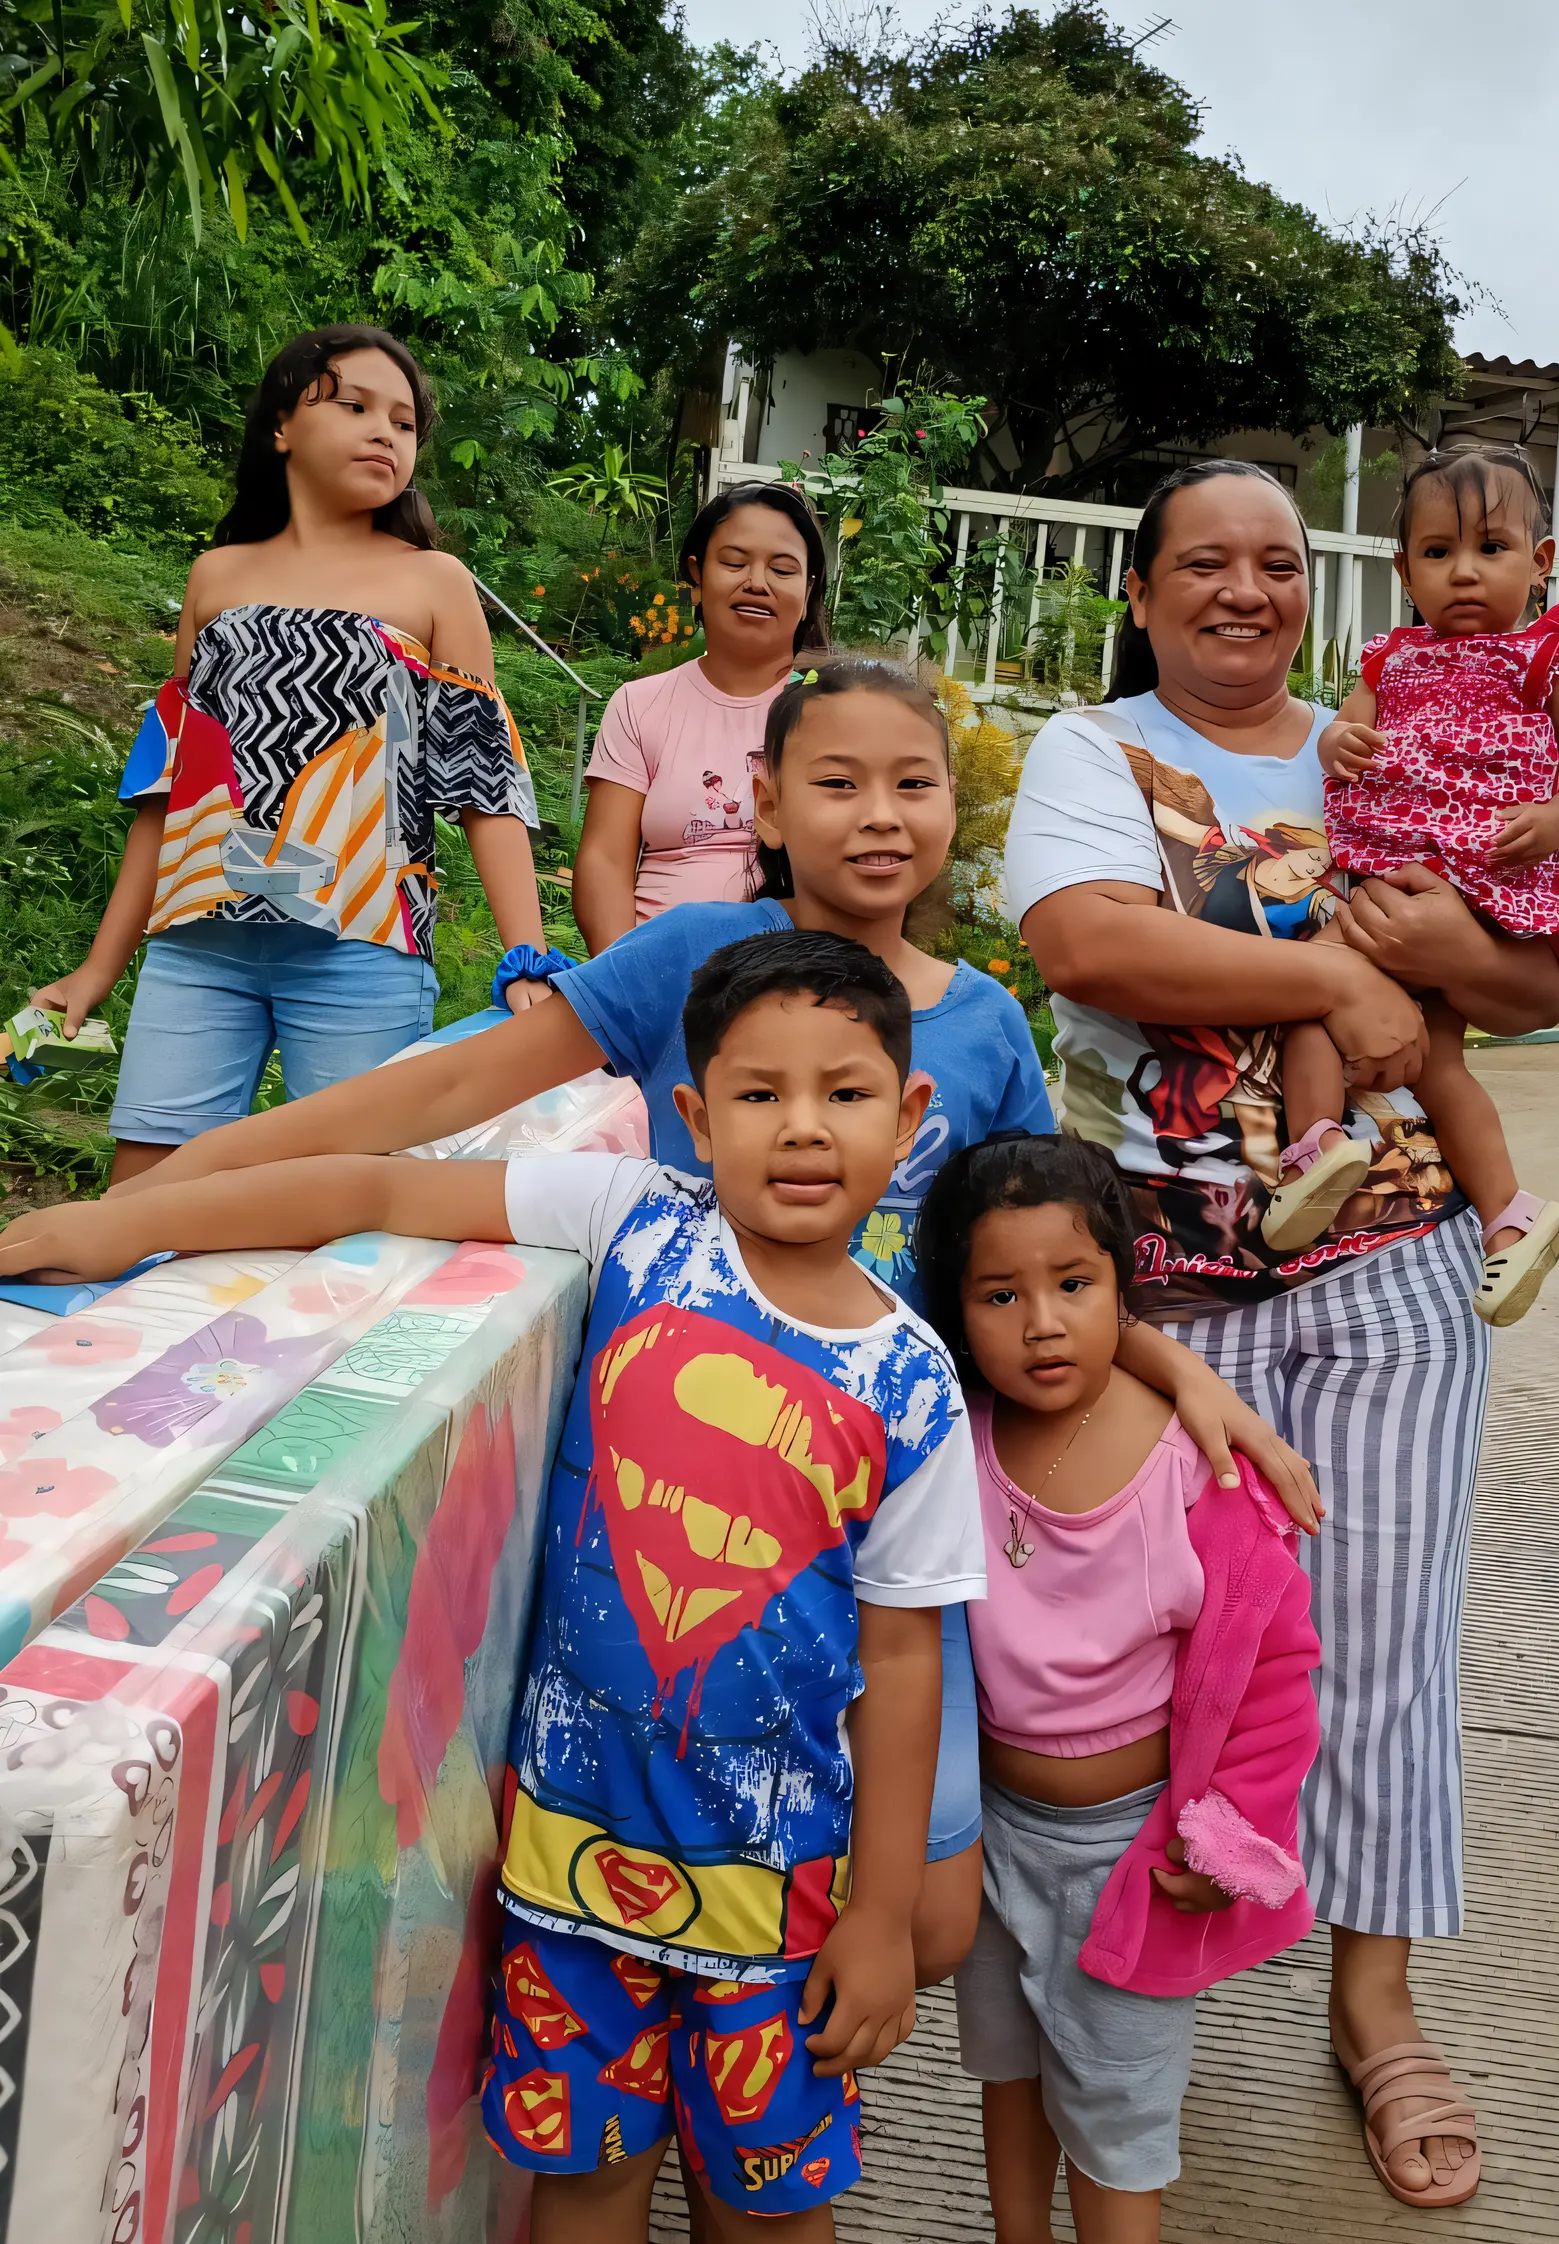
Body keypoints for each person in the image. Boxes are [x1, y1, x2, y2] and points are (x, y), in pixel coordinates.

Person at [68, 653, 1320, 1993]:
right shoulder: (692, 960)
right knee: (663, 1877)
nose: (880, 814)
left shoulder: (986, 1023)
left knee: (929, 1914)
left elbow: (1039, 1251)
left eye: (915, 784)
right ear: (767, 807)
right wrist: (160, 1202)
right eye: (838, 784)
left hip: (892, 1528)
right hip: (693, 1507)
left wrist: (1168, 1363)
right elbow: (434, 1101)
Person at [0, 929, 985, 2240]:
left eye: (844, 1094)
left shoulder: (914, 1386)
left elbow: (908, 1658)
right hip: (566, 1861)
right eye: (760, 1095)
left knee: (769, 2201)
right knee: (581, 2179)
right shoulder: (635, 1217)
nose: (802, 1130)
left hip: (777, 1884)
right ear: (693, 1115)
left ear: (910, 1114)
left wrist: (878, 1911)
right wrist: (114, 1225)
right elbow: (376, 1191)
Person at [1005, 457, 1559, 2211]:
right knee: (1179, 1653)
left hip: (1390, 1257)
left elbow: (1534, 981)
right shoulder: (1090, 756)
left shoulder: (1368, 748)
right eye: (1202, 563)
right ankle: (1137, 1993)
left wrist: (1425, 953)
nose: (1241, 590)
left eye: (1272, 562)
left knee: (1385, 1637)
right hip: (1162, 1282)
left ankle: (1376, 2003)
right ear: (1141, 590)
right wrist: (1335, 976)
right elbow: (1085, 939)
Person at [915, 1133, 1320, 2244]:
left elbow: (1275, 1669)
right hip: (991, 1840)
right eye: (1000, 1294)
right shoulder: (954, 1440)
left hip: (1130, 1858)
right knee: (1007, 2071)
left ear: (1122, 1290)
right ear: (956, 1308)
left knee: (1115, 2117)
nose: (1040, 1320)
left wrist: (1229, 1830)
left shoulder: (1191, 1465)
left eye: (1073, 1284)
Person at [32, 324, 550, 1187]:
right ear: (281, 426)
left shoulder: (436, 583)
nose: (386, 431)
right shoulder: (217, 578)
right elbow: (169, 793)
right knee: (143, 1189)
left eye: (406, 422)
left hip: (365, 942)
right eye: (354, 406)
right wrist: (96, 970)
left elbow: (482, 784)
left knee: (343, 1199)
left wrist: (529, 960)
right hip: (198, 943)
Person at [1268, 444, 1559, 1326]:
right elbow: (1346, 732)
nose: (1463, 572)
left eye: (1492, 548)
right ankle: (1498, 1210)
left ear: (1540, 563)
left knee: (1330, 986)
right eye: (1437, 553)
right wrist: (1337, 743)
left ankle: (1321, 1149)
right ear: (1404, 569)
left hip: (1482, 877)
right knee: (1405, 1047)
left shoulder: (1552, 657)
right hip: (1395, 867)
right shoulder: (1391, 661)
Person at [572, 482, 828, 949]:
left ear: (809, 590)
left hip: (791, 974)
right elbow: (604, 861)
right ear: (697, 574)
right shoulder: (639, 704)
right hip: (653, 969)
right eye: (734, 562)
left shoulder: (833, 709)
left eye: (783, 569)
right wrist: (624, 984)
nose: (757, 582)